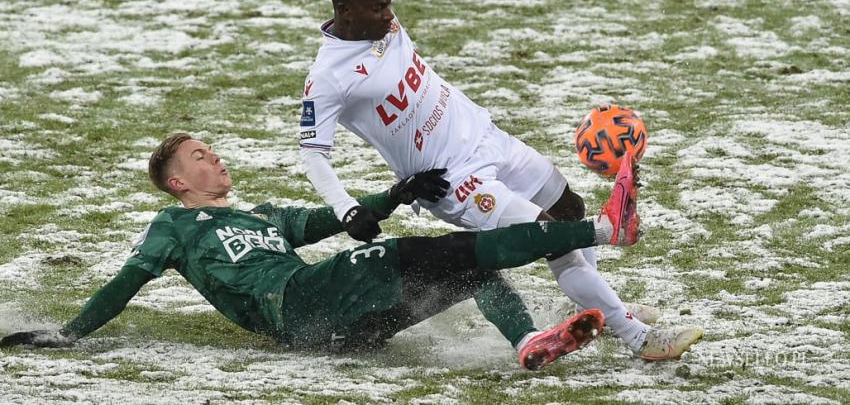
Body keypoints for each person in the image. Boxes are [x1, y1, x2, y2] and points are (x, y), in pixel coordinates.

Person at [298, 0, 703, 360]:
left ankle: (603, 304)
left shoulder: (372, 5)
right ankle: (638, 338)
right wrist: (347, 208)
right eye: (379, 7)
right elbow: (313, 152)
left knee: (568, 210)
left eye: (388, 2)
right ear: (346, 11)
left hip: (487, 139)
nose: (389, 13)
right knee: (552, 238)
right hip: (454, 180)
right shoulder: (329, 77)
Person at [0, 133, 643, 370]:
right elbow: (127, 281)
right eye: (200, 156)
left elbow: (337, 221)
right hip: (299, 308)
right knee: (454, 251)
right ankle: (604, 230)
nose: (215, 158)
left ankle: (528, 344)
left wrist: (395, 193)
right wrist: (71, 331)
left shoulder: (263, 215)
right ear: (176, 181)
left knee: (465, 270)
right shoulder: (174, 226)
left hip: (341, 327)